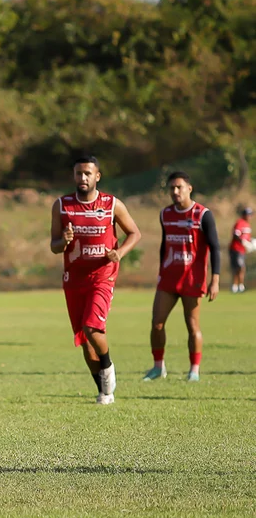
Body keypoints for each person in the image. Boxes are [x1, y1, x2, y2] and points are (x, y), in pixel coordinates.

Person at [49, 156, 141, 405]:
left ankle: (108, 365)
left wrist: (119, 253)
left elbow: (134, 233)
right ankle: (103, 390)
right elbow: (54, 246)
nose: (83, 178)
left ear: (97, 176)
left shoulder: (111, 204)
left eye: (88, 173)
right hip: (73, 279)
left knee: (92, 328)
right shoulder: (62, 205)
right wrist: (64, 241)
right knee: (84, 340)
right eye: (79, 173)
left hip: (103, 276)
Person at [144, 172, 220, 382]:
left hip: (192, 279)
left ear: (189, 188)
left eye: (179, 187)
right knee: (157, 323)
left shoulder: (203, 214)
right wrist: (161, 272)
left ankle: (194, 370)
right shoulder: (165, 214)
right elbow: (164, 244)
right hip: (168, 278)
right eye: (172, 188)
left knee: (192, 325)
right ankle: (158, 367)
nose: (175, 192)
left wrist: (215, 279)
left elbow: (215, 248)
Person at [230, 206, 253, 293]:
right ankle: (236, 286)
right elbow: (236, 235)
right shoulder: (240, 223)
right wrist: (243, 242)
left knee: (241, 268)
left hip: (242, 250)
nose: (249, 217)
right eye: (248, 215)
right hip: (236, 248)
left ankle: (240, 286)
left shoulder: (248, 225)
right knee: (239, 267)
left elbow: (247, 237)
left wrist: (250, 243)